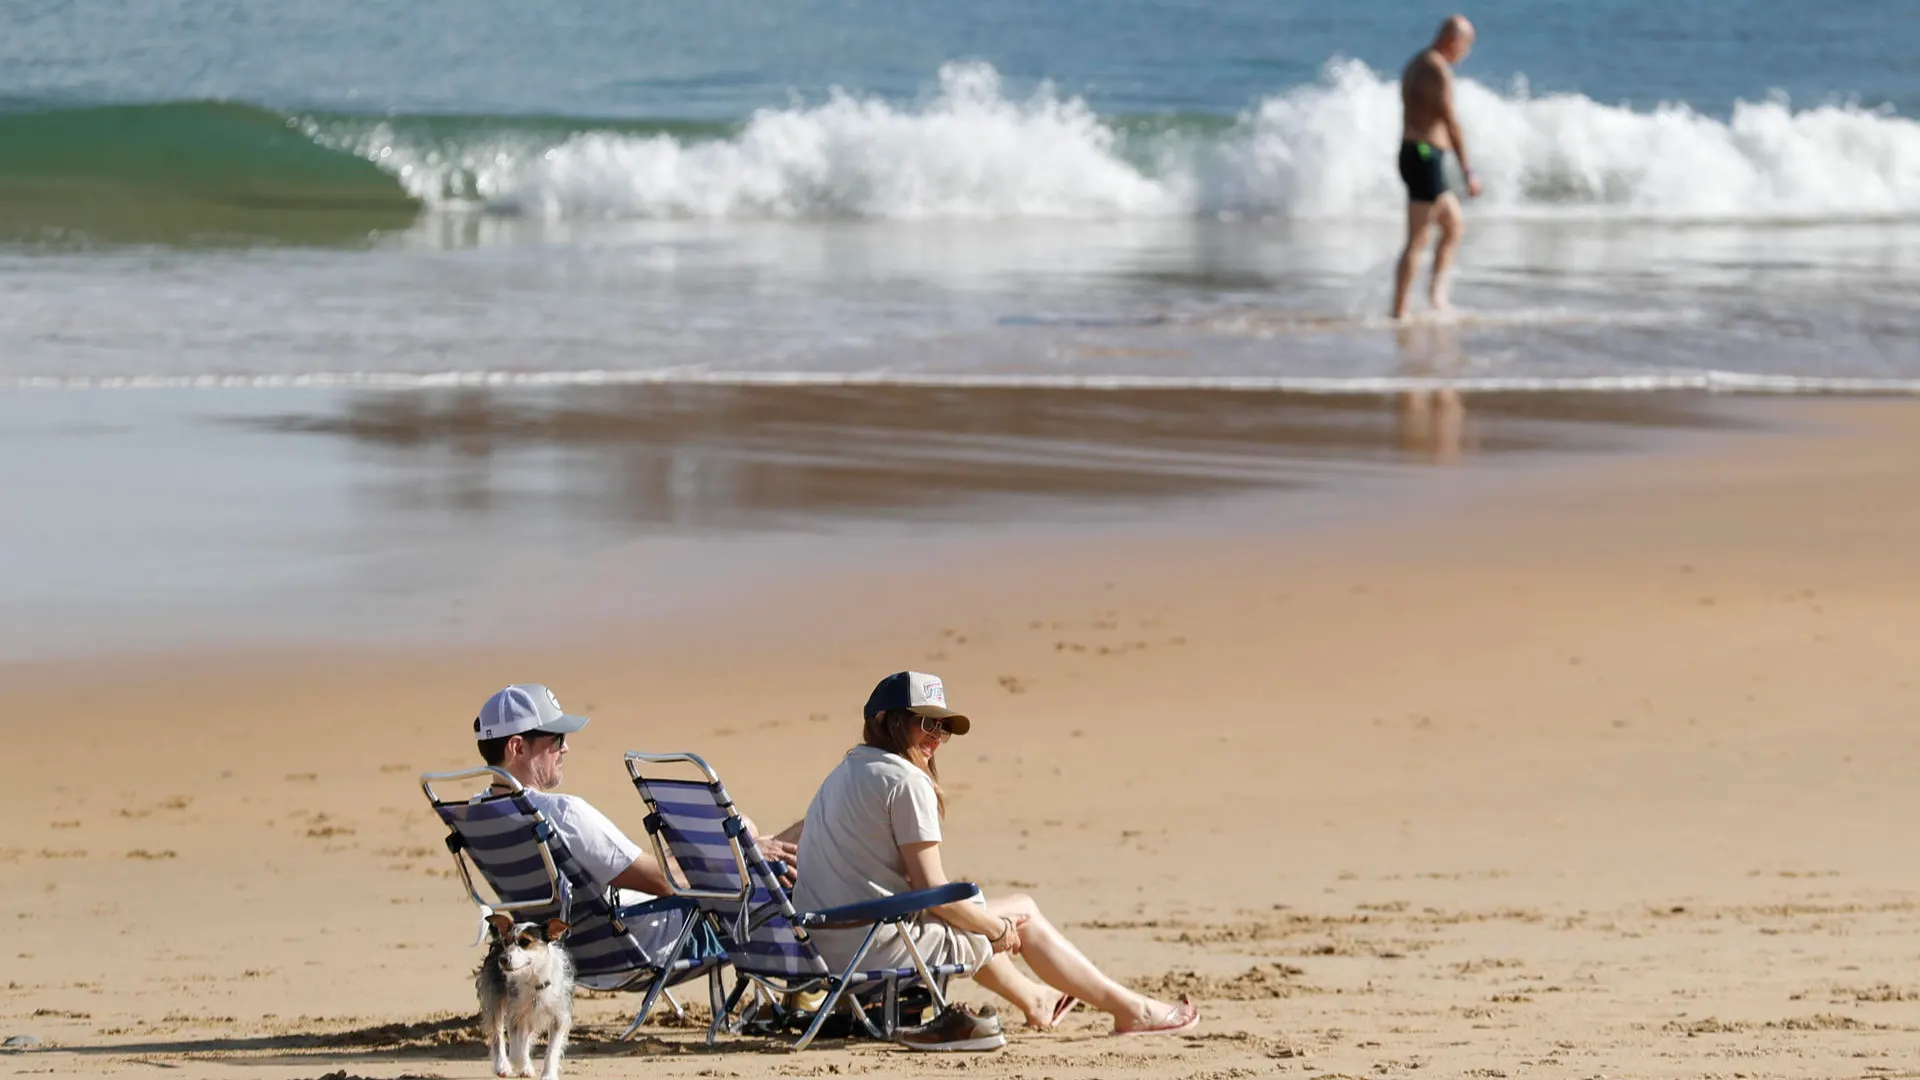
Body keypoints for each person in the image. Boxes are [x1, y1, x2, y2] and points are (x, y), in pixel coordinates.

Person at [791, 671, 1200, 1050]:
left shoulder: (843, 774)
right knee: (1018, 913)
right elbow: (935, 895)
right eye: (925, 722)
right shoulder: (905, 781)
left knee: (984, 914)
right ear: (886, 719)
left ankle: (1037, 998)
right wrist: (995, 928)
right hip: (871, 950)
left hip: (826, 946)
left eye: (943, 727)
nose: (936, 736)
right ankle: (1134, 1011)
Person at [471, 683, 798, 957]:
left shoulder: (475, 815)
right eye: (556, 739)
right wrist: (744, 853)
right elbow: (662, 882)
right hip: (650, 938)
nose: (566, 748)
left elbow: (642, 873)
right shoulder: (563, 814)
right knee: (780, 846)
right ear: (517, 747)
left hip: (571, 947)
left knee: (748, 832)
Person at [1392, 14, 1482, 321]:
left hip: (1417, 153)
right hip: (1424, 155)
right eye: (1466, 45)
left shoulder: (1417, 62)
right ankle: (1399, 310)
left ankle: (1436, 298)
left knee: (1454, 226)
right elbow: (1449, 121)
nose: (1466, 52)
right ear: (1453, 40)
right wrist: (1467, 169)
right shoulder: (1436, 70)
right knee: (1418, 238)